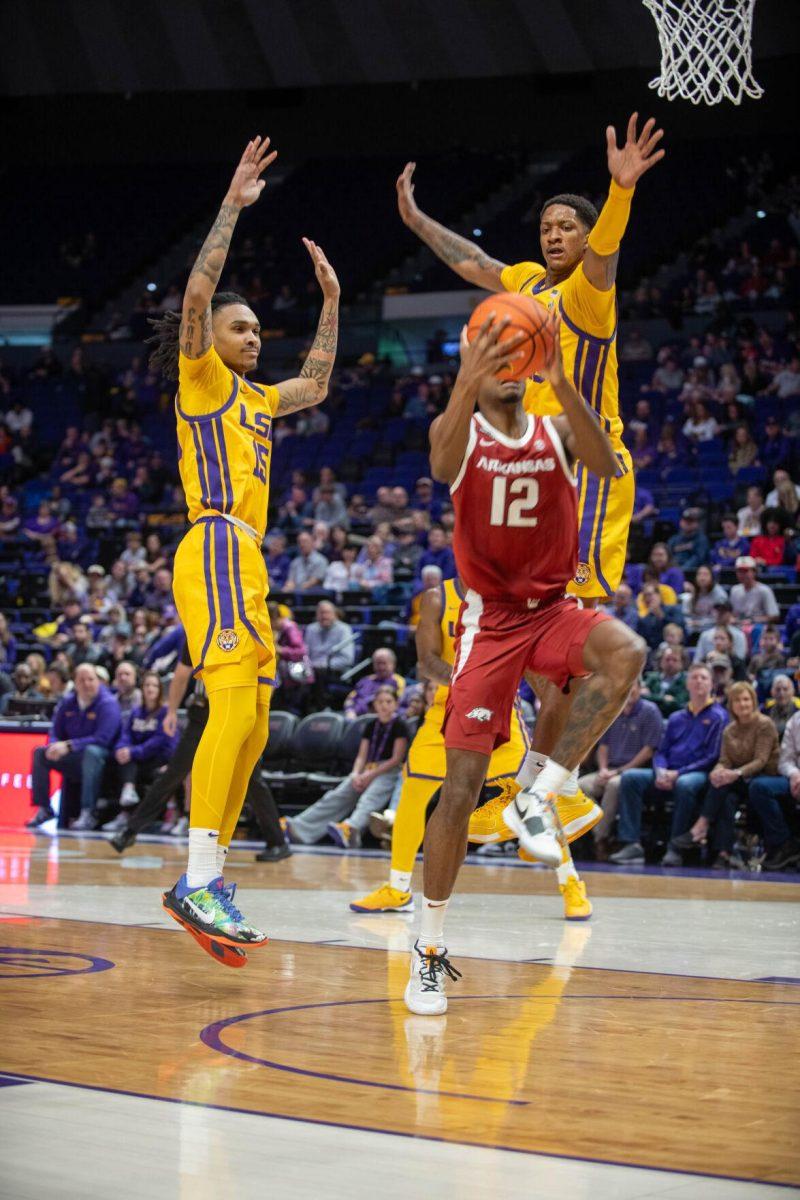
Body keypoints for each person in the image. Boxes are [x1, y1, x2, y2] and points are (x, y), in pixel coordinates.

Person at [401, 312, 644, 1015]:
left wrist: (563, 382)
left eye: (518, 349)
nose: (509, 360)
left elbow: (605, 464)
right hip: (487, 624)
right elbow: (441, 463)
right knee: (459, 789)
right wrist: (466, 377)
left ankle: (538, 792)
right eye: (495, 351)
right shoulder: (461, 432)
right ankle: (429, 948)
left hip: (552, 609)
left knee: (625, 652)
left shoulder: (555, 429)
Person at [144, 136, 339, 953]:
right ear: (212, 338)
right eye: (242, 327)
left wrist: (331, 301)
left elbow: (319, 382)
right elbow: (195, 294)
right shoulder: (205, 379)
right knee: (230, 704)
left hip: (248, 555)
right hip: (217, 541)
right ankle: (193, 878)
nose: (255, 337)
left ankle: (210, 873)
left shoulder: (259, 399)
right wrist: (232, 204)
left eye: (260, 328)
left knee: (256, 720)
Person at [351, 579, 600, 920]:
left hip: (499, 706)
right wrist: (471, 679)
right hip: (445, 706)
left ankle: (571, 883)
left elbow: (527, 658)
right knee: (412, 793)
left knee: (530, 793)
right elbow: (426, 663)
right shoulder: (436, 598)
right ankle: (398, 887)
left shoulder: (508, 593)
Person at [109, 638, 288, 863]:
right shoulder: (198, 631)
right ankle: (130, 831)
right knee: (173, 773)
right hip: (202, 714)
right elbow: (182, 674)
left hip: (235, 715)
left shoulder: (243, 631)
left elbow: (264, 679)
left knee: (251, 778)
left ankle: (278, 842)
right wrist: (172, 711)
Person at [610, 664, 728, 866]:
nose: (698, 681)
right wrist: (661, 771)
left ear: (711, 685)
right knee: (630, 778)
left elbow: (712, 756)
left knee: (685, 784)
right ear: (687, 684)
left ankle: (675, 848)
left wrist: (677, 773)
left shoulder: (718, 716)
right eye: (694, 677)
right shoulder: (676, 717)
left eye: (703, 678)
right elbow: (661, 751)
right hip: (668, 772)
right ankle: (632, 845)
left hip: (697, 773)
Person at [670, 682, 778, 869]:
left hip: (764, 778)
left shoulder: (764, 724)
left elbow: (761, 760)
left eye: (746, 699)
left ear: (753, 701)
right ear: (731, 705)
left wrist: (733, 773)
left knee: (724, 785)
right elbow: (724, 760)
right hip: (739, 780)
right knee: (725, 795)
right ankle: (724, 853)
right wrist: (717, 771)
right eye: (737, 700)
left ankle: (700, 826)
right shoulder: (729, 730)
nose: (742, 704)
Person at [285, 687, 409, 848]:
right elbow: (361, 756)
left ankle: (350, 830)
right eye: (380, 702)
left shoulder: (400, 725)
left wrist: (369, 776)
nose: (384, 705)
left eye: (388, 702)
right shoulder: (371, 725)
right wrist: (356, 774)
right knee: (335, 795)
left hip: (388, 771)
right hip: (367, 769)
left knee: (369, 798)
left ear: (396, 704)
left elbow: (396, 758)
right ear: (374, 705)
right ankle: (297, 828)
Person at [26, 664, 122, 830]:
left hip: (104, 759)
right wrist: (54, 745)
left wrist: (70, 746)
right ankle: (44, 808)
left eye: (91, 679)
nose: (87, 684)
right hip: (75, 758)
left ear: (98, 681)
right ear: (75, 683)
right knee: (40, 753)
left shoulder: (108, 703)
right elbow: (55, 730)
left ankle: (88, 812)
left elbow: (103, 739)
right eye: (82, 680)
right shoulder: (68, 702)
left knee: (92, 753)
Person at [578, 680, 663, 862]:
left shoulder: (650, 711)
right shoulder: (612, 711)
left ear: (640, 689)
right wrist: (602, 769)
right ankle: (601, 836)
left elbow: (648, 751)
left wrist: (619, 771)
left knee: (615, 786)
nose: (629, 690)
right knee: (579, 786)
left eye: (633, 687)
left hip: (634, 771)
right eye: (626, 686)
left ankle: (600, 840)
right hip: (609, 769)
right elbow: (603, 747)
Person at [104, 671, 177, 829]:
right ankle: (125, 810)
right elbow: (126, 735)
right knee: (123, 760)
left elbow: (158, 742)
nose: (150, 688)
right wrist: (121, 748)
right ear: (142, 688)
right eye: (147, 685)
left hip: (159, 758)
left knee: (131, 760)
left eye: (154, 685)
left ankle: (146, 813)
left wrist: (133, 752)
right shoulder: (136, 712)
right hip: (140, 758)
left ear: (159, 689)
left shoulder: (165, 712)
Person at [747, 710, 800, 871]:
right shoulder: (796, 720)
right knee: (759, 786)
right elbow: (785, 761)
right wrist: (794, 774)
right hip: (796, 779)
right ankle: (784, 844)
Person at [343, 647, 405, 718]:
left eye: (384, 663)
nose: (381, 667)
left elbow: (397, 704)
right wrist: (350, 711)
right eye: (378, 663)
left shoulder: (398, 681)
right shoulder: (365, 680)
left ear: (393, 664)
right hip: (356, 719)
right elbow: (350, 699)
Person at [730, 556, 780, 625]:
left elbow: (774, 616)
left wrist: (753, 620)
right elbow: (732, 614)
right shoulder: (735, 590)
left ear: (754, 572)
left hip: (758, 627)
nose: (742, 574)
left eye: (745, 571)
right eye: (739, 571)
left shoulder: (764, 590)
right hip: (739, 626)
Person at [642, 645, 688, 716]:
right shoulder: (651, 677)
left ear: (682, 663)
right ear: (660, 661)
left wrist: (651, 697)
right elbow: (642, 697)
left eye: (674, 660)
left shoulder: (686, 681)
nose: (670, 663)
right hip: (649, 717)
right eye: (667, 659)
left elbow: (678, 704)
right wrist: (663, 698)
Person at [682, 565, 728, 634]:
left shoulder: (719, 594)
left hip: (713, 628)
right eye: (699, 574)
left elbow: (719, 619)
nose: (702, 578)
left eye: (705, 574)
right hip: (694, 628)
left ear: (712, 577)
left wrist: (701, 623)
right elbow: (687, 614)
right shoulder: (695, 593)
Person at [667, 509, 709, 574]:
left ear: (696, 523)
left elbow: (698, 558)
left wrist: (682, 570)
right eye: (685, 521)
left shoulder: (701, 539)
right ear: (680, 522)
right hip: (675, 571)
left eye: (691, 521)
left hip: (693, 573)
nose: (687, 523)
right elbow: (668, 556)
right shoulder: (674, 539)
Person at [764, 675, 800, 740]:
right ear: (772, 692)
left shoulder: (798, 709)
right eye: (778, 689)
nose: (781, 693)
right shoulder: (765, 709)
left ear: (793, 692)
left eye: (785, 689)